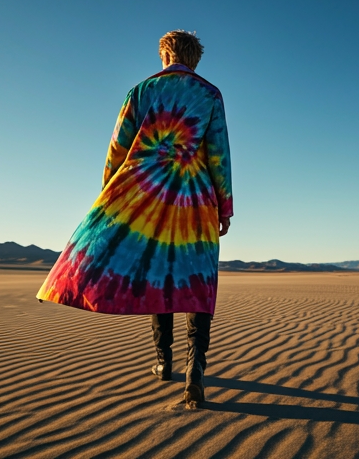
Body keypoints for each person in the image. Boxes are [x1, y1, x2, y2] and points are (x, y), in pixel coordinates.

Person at [36, 30, 233, 407]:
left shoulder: (141, 91)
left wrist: (111, 197)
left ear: (164, 55)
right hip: (195, 198)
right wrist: (224, 206)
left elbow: (117, 150)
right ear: (194, 60)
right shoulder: (210, 95)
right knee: (197, 282)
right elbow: (218, 155)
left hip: (145, 196)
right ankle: (195, 371)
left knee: (159, 275)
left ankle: (163, 361)